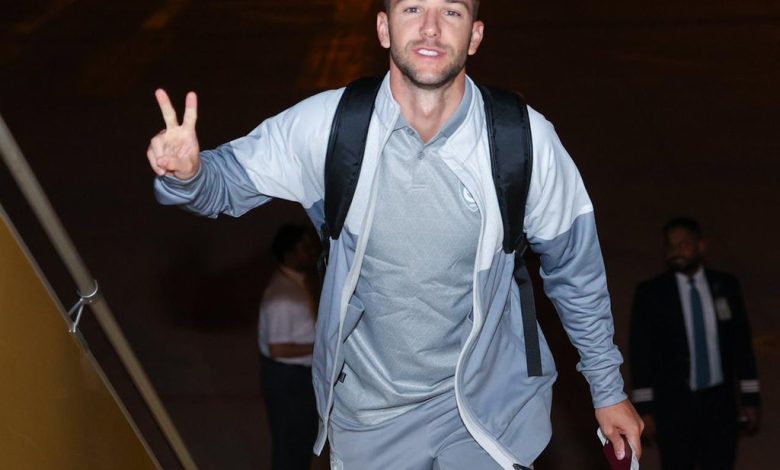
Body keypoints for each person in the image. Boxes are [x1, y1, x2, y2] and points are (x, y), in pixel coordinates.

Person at [146, 0, 643, 468]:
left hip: (486, 412)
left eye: (451, 11)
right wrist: (187, 174)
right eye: (412, 8)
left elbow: (575, 269)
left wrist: (607, 388)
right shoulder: (330, 127)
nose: (431, 28)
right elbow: (225, 183)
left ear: (475, 36)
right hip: (371, 418)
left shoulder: (522, 140)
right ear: (384, 27)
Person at [629, 217, 761, 469]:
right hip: (674, 407)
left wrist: (751, 399)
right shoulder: (652, 294)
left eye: (683, 244)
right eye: (671, 246)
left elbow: (742, 346)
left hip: (720, 406)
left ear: (701, 247)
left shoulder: (726, 287)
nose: (676, 252)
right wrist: (645, 408)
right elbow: (641, 354)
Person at [258, 224, 319, 470]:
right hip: (289, 381)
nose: (311, 251)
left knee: (301, 443)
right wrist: (319, 349)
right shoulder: (281, 298)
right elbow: (278, 349)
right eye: (304, 247)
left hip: (297, 378)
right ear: (289, 253)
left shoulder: (298, 284)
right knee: (290, 446)